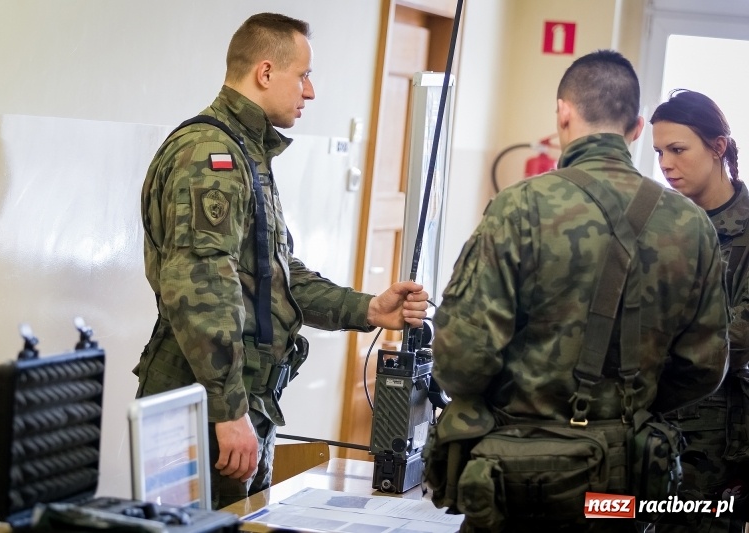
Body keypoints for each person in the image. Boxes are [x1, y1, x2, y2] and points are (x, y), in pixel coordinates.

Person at [134, 12, 428, 509]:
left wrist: (368, 310)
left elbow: (275, 275)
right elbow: (201, 285)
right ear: (266, 73)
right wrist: (229, 411)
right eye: (304, 75)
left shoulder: (246, 153)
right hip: (205, 406)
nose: (310, 92)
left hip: (239, 402)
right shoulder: (211, 156)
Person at [429, 50, 729, 532]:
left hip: (519, 478)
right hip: (623, 485)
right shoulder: (691, 225)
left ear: (563, 112)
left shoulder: (520, 207)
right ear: (635, 128)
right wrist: (626, 408)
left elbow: (462, 358)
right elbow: (704, 366)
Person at [651, 89, 749, 533]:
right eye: (658, 151)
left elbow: (737, 338)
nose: (666, 164)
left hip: (714, 435)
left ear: (718, 147)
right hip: (646, 421)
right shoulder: (659, 223)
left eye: (677, 149)